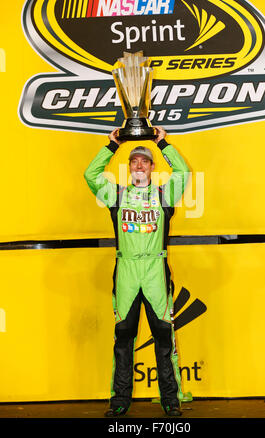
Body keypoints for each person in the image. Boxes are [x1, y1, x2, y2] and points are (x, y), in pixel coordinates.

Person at [84, 126, 190, 417]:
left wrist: (163, 142)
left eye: (144, 160)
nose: (140, 164)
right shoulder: (116, 195)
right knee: (124, 337)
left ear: (152, 167)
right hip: (127, 271)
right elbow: (90, 175)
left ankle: (170, 399)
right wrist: (111, 146)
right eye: (134, 161)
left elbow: (183, 173)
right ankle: (119, 400)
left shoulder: (163, 194)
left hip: (155, 270)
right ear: (129, 167)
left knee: (163, 337)